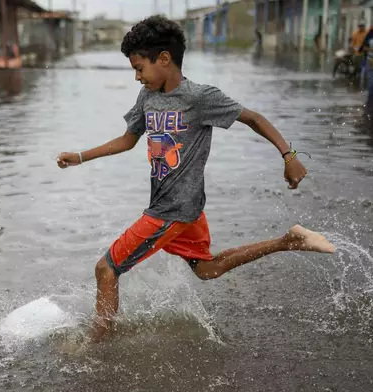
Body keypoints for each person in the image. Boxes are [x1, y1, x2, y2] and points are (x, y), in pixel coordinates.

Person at [55, 15, 336, 343]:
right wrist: (80, 156)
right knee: (207, 269)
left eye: (139, 67)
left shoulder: (199, 97)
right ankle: (288, 241)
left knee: (106, 269)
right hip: (178, 207)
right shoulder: (148, 98)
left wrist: (289, 156)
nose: (136, 76)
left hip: (172, 209)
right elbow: (127, 140)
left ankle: (95, 349)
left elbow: (253, 118)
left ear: (164, 59)